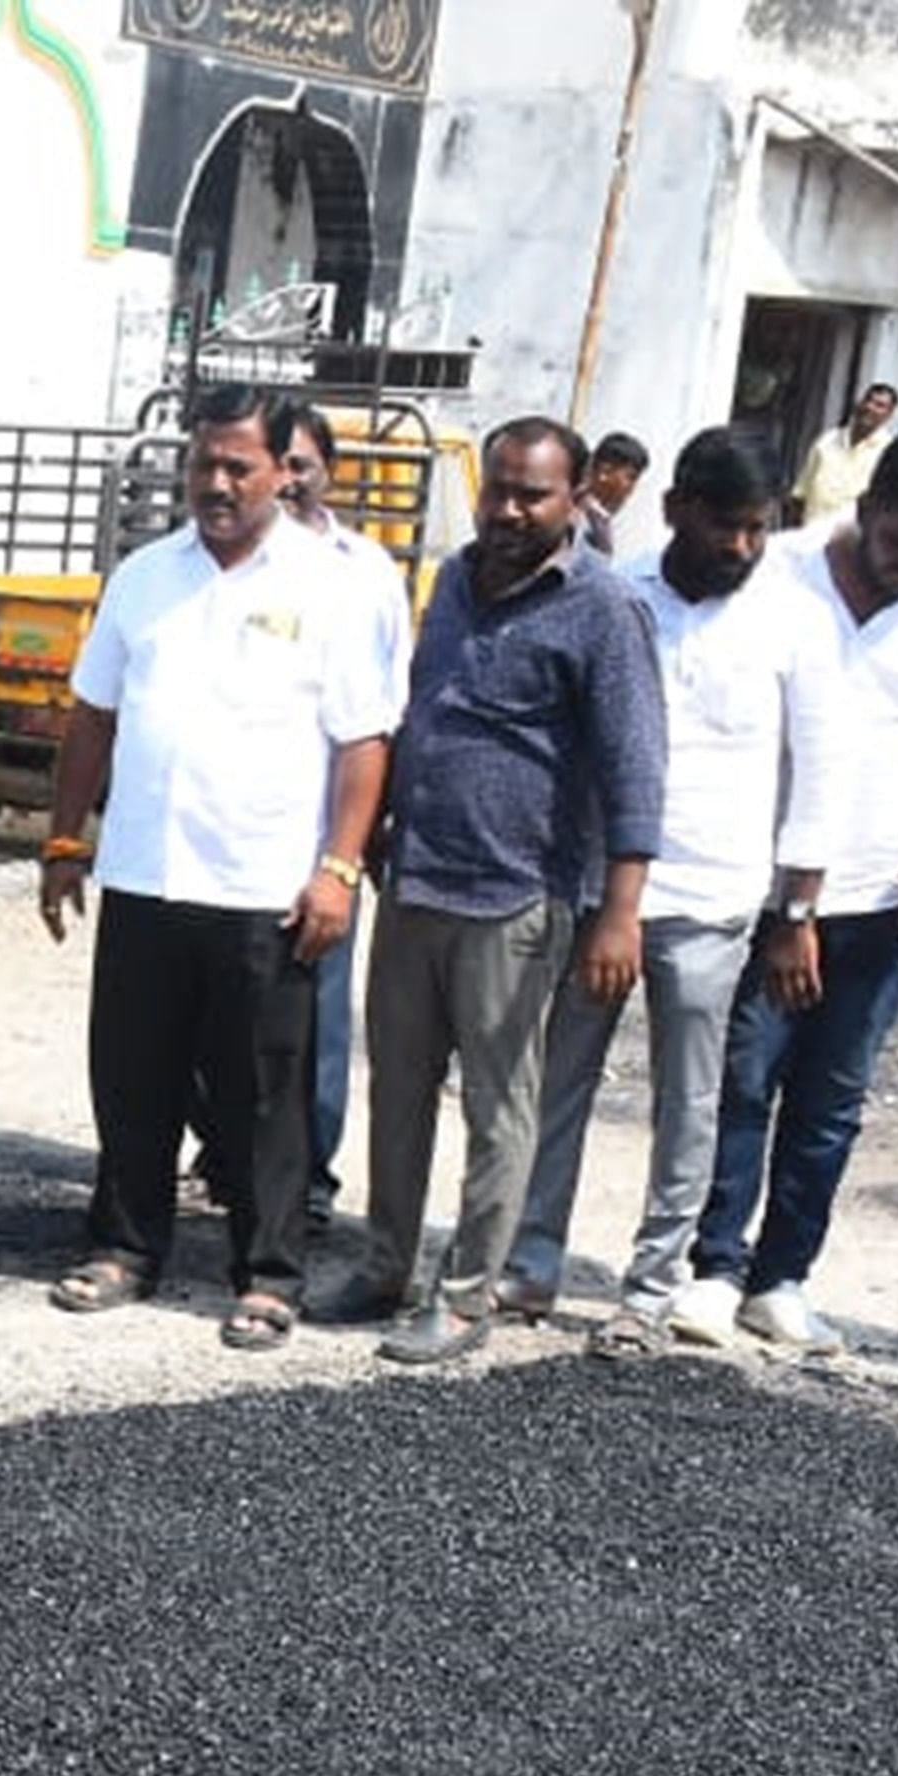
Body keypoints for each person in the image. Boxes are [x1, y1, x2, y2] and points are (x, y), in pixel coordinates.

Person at [35, 385, 395, 1348]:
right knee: (132, 1075)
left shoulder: (331, 587)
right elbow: (94, 715)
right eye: (205, 464)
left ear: (286, 469)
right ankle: (123, 1248)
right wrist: (66, 840)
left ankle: (269, 1273)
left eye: (240, 465)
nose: (218, 483)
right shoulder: (145, 576)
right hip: (148, 876)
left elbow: (364, 743)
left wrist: (339, 869)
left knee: (265, 1095)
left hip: (265, 889)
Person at [673, 425, 898, 1355]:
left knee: (832, 1097)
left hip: (883, 901)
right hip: (763, 884)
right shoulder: (779, 569)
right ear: (866, 508)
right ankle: (715, 1264)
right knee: (744, 1078)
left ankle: (781, 1277)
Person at [323, 414, 666, 1365]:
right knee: (396, 1087)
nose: (510, 509)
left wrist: (619, 911)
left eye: (533, 494)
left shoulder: (604, 607)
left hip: (519, 895)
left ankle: (469, 1296)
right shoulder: (451, 581)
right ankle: (384, 1263)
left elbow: (636, 765)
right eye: (499, 489)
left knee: (498, 1105)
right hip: (419, 877)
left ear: (575, 499)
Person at [502, 424, 841, 1358]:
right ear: (678, 507)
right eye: (725, 523)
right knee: (555, 1079)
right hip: (596, 891)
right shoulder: (615, 597)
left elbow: (818, 775)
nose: (741, 546)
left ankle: (650, 1290)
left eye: (759, 528)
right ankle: (530, 1261)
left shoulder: (795, 619)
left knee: (689, 1102)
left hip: (714, 901)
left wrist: (795, 912)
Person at [275, 401, 417, 1231]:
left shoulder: (365, 570)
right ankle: (226, 1158)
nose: (290, 480)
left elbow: (388, 704)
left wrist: (356, 841)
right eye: (278, 462)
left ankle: (311, 1180)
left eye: (303, 464)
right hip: (239, 828)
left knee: (319, 1006)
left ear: (328, 469)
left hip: (330, 827)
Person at [792, 381, 898, 525]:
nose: (869, 407)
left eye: (879, 405)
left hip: (850, 542)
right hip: (809, 535)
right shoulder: (826, 441)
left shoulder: (889, 453)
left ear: (889, 415)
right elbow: (800, 495)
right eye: (868, 400)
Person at [578, 430, 651, 558]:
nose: (632, 489)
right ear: (604, 472)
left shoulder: (598, 519)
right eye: (630, 477)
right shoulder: (576, 518)